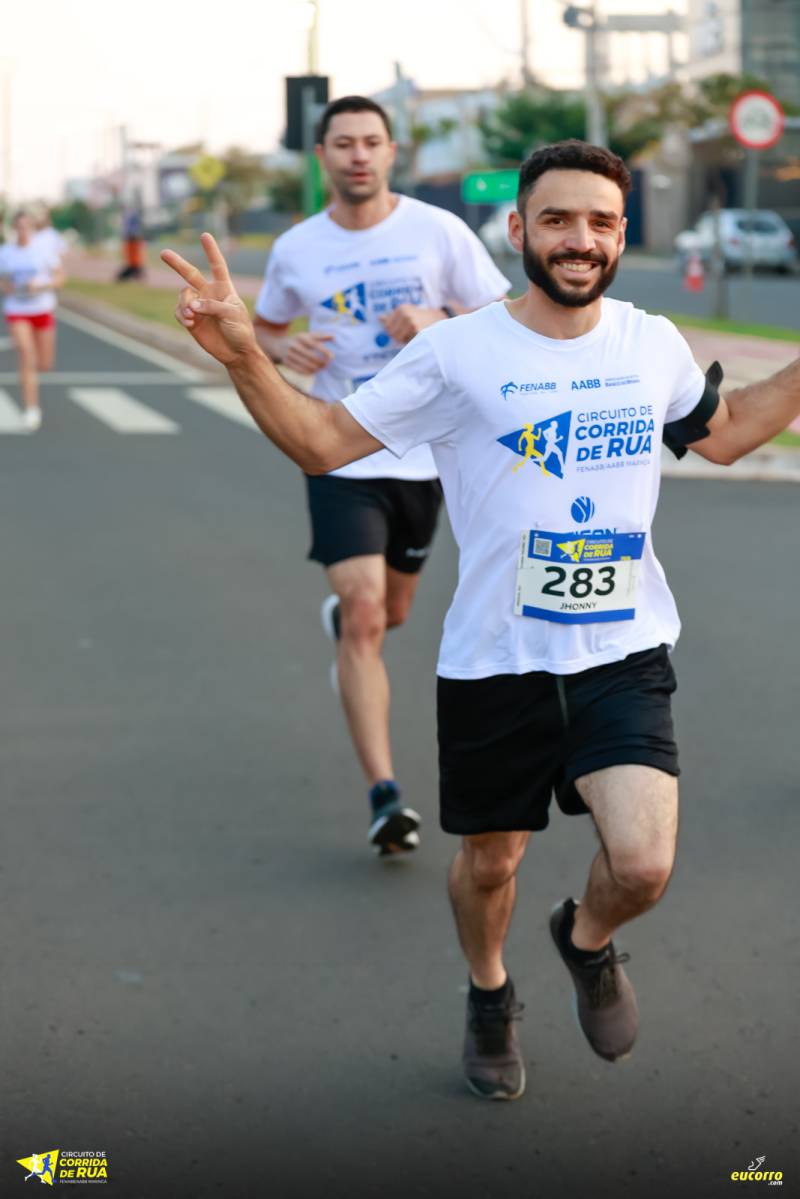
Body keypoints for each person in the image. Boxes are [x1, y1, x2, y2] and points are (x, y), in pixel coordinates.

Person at [162, 139, 800, 1100]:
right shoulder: (457, 355)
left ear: (622, 234)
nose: (579, 239)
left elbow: (730, 430)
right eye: (557, 219)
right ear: (517, 229)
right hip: (497, 662)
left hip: (621, 652)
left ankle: (585, 939)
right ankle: (490, 989)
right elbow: (323, 443)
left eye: (600, 222)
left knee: (642, 864)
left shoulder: (650, 343)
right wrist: (247, 353)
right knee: (492, 864)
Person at [251, 96, 509, 856]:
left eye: (371, 142)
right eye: (343, 143)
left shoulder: (439, 231)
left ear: (392, 152)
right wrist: (285, 349)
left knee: (392, 611)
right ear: (322, 157)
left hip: (426, 454)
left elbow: (507, 320)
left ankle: (350, 621)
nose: (358, 155)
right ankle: (385, 795)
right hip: (341, 446)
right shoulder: (297, 247)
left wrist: (440, 321)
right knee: (366, 615)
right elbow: (265, 328)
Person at [0, 209, 66, 431]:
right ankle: (31, 408)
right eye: (19, 227)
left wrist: (42, 285)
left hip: (42, 308)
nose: (23, 231)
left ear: (33, 229)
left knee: (44, 364)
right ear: (14, 228)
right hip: (17, 309)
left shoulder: (43, 251)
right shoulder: (6, 253)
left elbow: (60, 278)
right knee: (26, 355)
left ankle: (35, 376)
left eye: (27, 227)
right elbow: (2, 280)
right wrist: (6, 286)